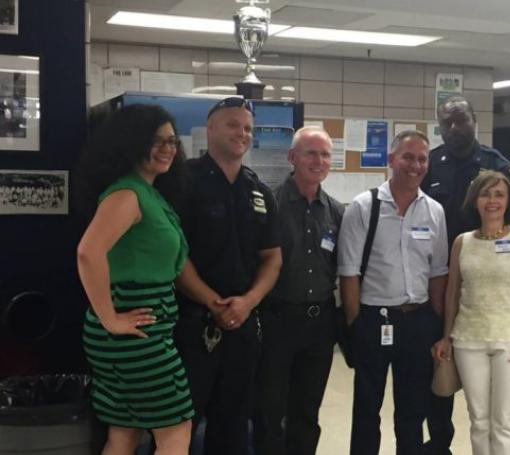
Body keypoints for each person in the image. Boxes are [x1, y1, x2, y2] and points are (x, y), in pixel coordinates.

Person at [76, 104, 192, 454]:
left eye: (172, 141)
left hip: (134, 333)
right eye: (156, 140)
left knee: (124, 431)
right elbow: (88, 252)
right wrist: (110, 318)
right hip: (137, 334)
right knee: (175, 428)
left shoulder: (146, 191)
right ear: (131, 142)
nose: (167, 148)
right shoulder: (127, 194)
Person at [173, 97, 282, 455]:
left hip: (243, 325)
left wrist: (247, 302)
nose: (242, 133)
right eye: (233, 125)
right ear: (210, 129)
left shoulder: (259, 191)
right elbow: (175, 255)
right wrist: (213, 302)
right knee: (179, 426)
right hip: (192, 324)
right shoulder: (182, 182)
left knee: (234, 423)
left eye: (248, 128)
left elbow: (272, 258)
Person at [420, 94, 510, 455]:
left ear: (475, 120)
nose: (453, 127)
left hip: (485, 288)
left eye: (460, 120)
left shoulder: (496, 165)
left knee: (492, 393)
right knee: (441, 366)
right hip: (440, 283)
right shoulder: (432, 164)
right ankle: (440, 442)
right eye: (446, 122)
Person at [338, 129, 448, 455]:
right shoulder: (364, 206)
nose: (416, 165)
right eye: (408, 157)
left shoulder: (434, 212)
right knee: (367, 408)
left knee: (412, 410)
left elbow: (438, 273)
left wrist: (438, 325)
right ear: (391, 160)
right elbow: (349, 272)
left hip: (418, 322)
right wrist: (355, 324)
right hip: (374, 320)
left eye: (422, 159)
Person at [432, 171, 510, 455]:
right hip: (468, 339)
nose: (492, 201)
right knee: (479, 420)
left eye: (499, 194)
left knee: (504, 421)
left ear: (508, 201)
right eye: (485, 194)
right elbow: (452, 294)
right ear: (475, 200)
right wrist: (447, 336)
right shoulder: (462, 242)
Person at [254, 126, 344, 455]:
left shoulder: (336, 211)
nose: (319, 161)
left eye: (325, 155)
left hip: (319, 325)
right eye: (311, 153)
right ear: (293, 157)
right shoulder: (270, 203)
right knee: (269, 409)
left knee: (307, 411)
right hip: (276, 321)